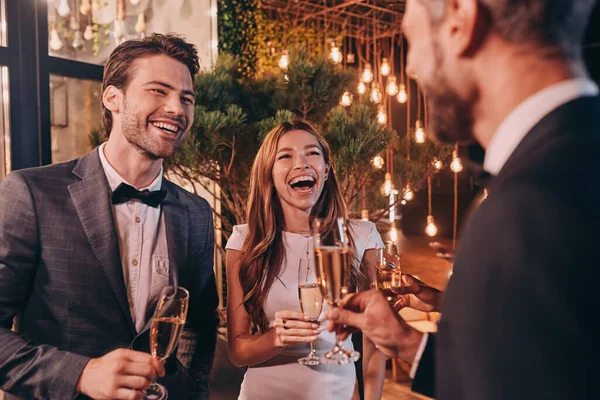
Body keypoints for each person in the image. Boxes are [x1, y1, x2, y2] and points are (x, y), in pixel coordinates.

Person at [326, 0, 598, 399]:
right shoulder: (574, 161)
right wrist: (407, 345)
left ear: (460, 20)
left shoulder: (525, 211)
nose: (413, 66)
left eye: (410, 38)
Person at [0, 33, 219, 400]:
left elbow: (200, 325)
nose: (178, 109)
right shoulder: (31, 194)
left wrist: (193, 391)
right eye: (158, 91)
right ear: (112, 98)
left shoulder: (196, 213)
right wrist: (80, 375)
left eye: (186, 98)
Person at [225, 120, 387, 400]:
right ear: (269, 175)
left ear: (326, 170)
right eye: (285, 156)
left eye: (312, 153)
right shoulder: (244, 242)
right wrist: (277, 338)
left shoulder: (362, 237)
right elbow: (238, 351)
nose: (301, 163)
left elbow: (376, 341)